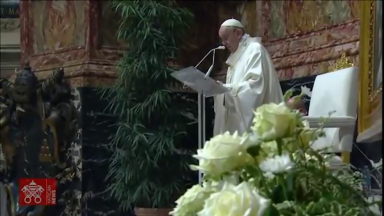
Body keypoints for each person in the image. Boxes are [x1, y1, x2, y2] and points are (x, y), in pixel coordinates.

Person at [213, 19, 284, 136]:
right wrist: (222, 91)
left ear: (238, 33)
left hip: (259, 126)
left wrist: (226, 91)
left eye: (226, 38)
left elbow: (255, 88)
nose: (224, 43)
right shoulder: (234, 58)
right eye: (222, 39)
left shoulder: (254, 49)